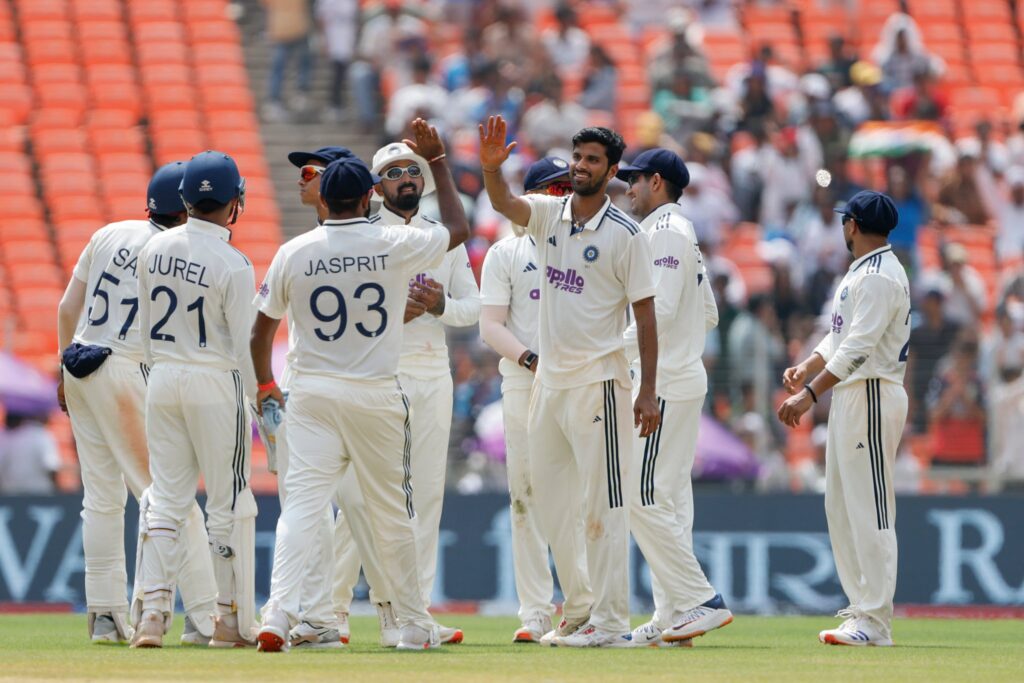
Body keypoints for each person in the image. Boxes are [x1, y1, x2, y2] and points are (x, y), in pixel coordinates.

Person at [254, 119, 470, 652]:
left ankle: (279, 614)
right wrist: (439, 162)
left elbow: (260, 329)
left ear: (323, 197)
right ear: (371, 194)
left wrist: (265, 384)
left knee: (302, 511)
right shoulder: (397, 242)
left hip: (311, 395)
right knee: (393, 512)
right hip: (376, 394)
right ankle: (413, 625)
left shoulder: (295, 250)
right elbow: (460, 231)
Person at [479, 116, 661, 647]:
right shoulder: (548, 216)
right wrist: (492, 169)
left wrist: (646, 390)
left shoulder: (627, 235)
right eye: (577, 157)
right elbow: (504, 204)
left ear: (611, 172)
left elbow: (646, 318)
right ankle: (580, 608)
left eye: (592, 160)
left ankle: (610, 623)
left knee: (603, 506)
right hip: (548, 385)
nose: (581, 166)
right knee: (551, 504)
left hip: (599, 382)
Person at [55, 162, 218, 646]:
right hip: (126, 369)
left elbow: (67, 308)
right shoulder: (181, 249)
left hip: (80, 360)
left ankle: (105, 615)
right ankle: (205, 615)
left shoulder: (109, 233)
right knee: (168, 498)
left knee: (101, 500)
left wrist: (62, 370)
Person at [331, 137, 481, 646]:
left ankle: (415, 612)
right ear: (376, 188)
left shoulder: (442, 236)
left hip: (431, 374)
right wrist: (396, 315)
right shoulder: (365, 237)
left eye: (413, 171)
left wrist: (439, 305)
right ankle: (332, 609)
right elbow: (347, 314)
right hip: (378, 374)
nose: (408, 179)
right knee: (359, 495)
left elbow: (472, 308)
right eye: (394, 173)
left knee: (428, 496)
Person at [131, 151, 258, 649]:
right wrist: (261, 399)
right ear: (233, 204)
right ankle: (228, 622)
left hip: (162, 376)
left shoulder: (153, 250)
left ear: (185, 199)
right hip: (214, 380)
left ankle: (151, 616)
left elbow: (144, 331)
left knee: (166, 499)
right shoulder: (235, 261)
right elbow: (246, 348)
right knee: (227, 504)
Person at [777, 190, 910, 647]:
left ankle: (875, 620)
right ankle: (861, 610)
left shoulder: (877, 276)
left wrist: (810, 395)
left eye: (844, 222)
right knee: (842, 506)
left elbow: (859, 348)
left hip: (871, 393)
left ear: (852, 224)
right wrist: (808, 366)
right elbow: (840, 339)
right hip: (855, 395)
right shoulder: (862, 273)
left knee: (869, 509)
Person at [616, 149, 733, 646]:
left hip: (660, 382)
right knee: (670, 498)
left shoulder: (663, 232)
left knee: (638, 495)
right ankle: (671, 616)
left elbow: (658, 311)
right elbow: (707, 313)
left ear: (657, 182)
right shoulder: (683, 232)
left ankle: (699, 601)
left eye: (635, 181)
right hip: (680, 378)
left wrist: (605, 348)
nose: (628, 190)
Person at [478, 156, 574, 643]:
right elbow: (490, 325)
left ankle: (585, 606)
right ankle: (536, 611)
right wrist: (534, 361)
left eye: (567, 189)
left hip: (581, 384)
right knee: (526, 498)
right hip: (524, 383)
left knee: (580, 497)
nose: (562, 198)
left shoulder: (586, 247)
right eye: (552, 190)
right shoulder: (507, 253)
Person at [262, 0, 314, 122]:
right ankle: (277, 99)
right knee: (280, 66)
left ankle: (297, 94)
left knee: (296, 63)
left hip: (293, 27)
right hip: (286, 29)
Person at [0, 411, 60, 495]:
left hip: (10, 494)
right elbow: (51, 466)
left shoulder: (5, 436)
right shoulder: (42, 435)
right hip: (39, 494)